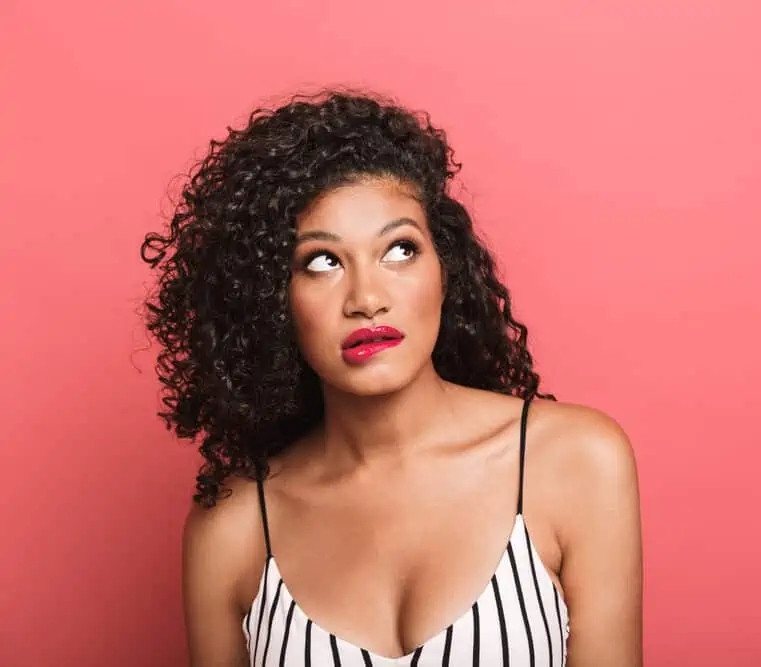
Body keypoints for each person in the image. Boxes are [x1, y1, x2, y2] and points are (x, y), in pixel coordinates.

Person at [140, 89, 643, 667]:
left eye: (399, 249)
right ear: (269, 300)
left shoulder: (574, 462)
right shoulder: (232, 526)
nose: (367, 299)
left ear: (445, 271)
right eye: (321, 262)